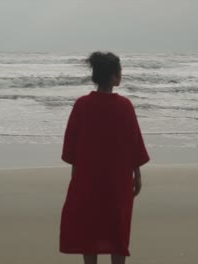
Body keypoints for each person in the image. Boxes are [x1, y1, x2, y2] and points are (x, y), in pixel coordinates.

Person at [59, 51, 150, 264]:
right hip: (118, 183)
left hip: (87, 180)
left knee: (89, 230)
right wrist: (137, 175)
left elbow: (71, 149)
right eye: (120, 71)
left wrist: (76, 180)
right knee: (118, 231)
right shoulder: (125, 106)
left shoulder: (81, 105)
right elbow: (134, 144)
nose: (122, 75)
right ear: (113, 76)